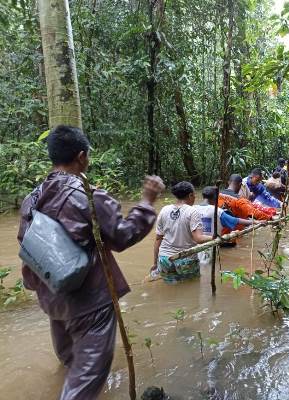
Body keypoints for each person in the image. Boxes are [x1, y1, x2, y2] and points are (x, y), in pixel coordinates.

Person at [17, 125, 165, 400]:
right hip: (91, 303)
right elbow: (122, 236)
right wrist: (146, 202)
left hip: (53, 299)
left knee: (70, 362)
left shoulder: (31, 198)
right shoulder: (88, 194)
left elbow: (26, 246)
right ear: (82, 156)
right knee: (86, 380)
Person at [151, 181, 211, 284]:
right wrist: (216, 237)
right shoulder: (192, 212)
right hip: (186, 260)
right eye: (194, 196)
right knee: (191, 289)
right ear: (190, 195)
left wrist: (155, 263)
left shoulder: (164, 210)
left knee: (171, 291)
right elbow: (198, 239)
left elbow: (158, 239)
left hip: (165, 259)